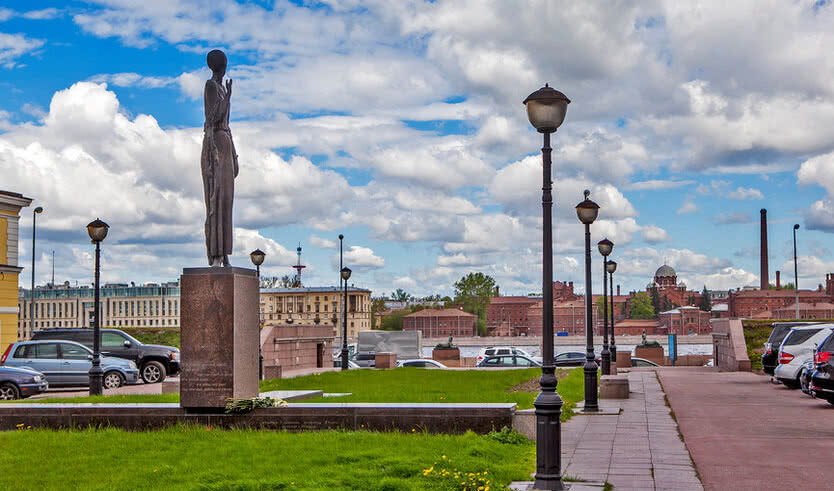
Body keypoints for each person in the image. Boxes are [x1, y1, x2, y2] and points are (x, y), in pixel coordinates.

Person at [201, 49, 239, 267]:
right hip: (214, 145)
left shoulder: (223, 87)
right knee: (215, 200)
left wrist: (234, 155)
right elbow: (213, 117)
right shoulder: (211, 86)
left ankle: (224, 253)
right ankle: (215, 255)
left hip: (225, 143)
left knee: (226, 202)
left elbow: (226, 124)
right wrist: (228, 98)